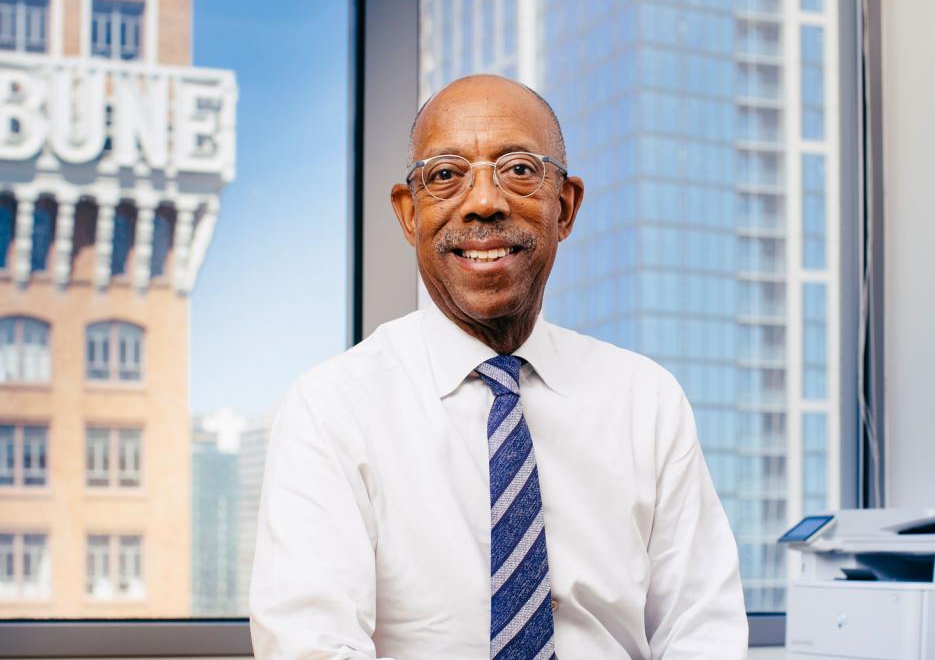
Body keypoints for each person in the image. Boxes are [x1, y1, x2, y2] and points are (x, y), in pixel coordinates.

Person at [250, 75, 747, 658]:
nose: (484, 202)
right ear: (409, 215)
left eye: (518, 169)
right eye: (445, 175)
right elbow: (311, 645)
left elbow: (701, 630)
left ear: (564, 207)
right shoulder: (332, 408)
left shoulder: (646, 400)